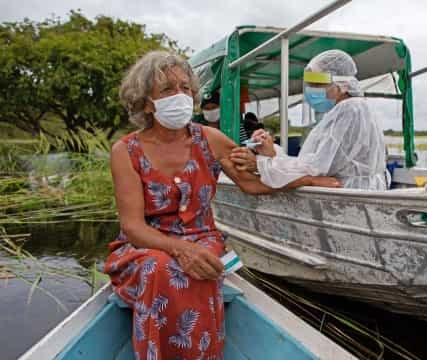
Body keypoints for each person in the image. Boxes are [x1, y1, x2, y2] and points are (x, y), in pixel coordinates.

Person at [105, 51, 339, 360]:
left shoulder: (210, 139)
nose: (180, 95)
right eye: (167, 90)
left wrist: (302, 179)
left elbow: (253, 181)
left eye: (185, 88)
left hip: (203, 239)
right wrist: (180, 249)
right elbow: (133, 227)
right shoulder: (126, 151)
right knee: (158, 267)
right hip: (146, 245)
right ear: (147, 102)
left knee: (200, 268)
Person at [231, 49, 387, 190]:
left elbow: (317, 167)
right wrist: (272, 153)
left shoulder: (349, 109)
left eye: (317, 84)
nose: (311, 90)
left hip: (349, 195)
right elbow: (315, 161)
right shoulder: (355, 108)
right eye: (310, 84)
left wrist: (263, 163)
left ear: (342, 84)